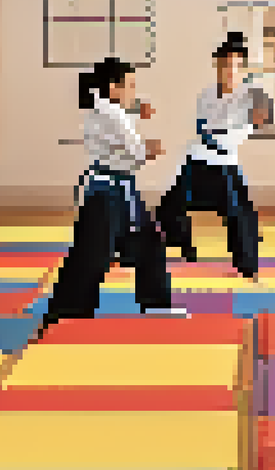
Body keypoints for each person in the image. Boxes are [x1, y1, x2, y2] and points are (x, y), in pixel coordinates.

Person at [41, 58, 185, 329]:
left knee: (149, 243)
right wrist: (151, 149)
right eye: (130, 85)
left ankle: (156, 304)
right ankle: (67, 312)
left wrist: (137, 109)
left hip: (118, 191)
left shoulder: (106, 108)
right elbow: (135, 152)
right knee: (92, 255)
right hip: (106, 196)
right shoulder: (111, 114)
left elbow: (122, 121)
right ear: (113, 87)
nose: (133, 91)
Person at [157, 32, 272, 281]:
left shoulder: (252, 95)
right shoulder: (207, 94)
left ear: (242, 68)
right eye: (225, 64)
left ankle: (248, 268)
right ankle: (185, 247)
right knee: (169, 208)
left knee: (240, 215)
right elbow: (202, 127)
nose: (230, 70)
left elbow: (261, 117)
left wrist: (257, 116)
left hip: (225, 164)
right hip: (197, 160)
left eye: (235, 65)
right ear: (218, 66)